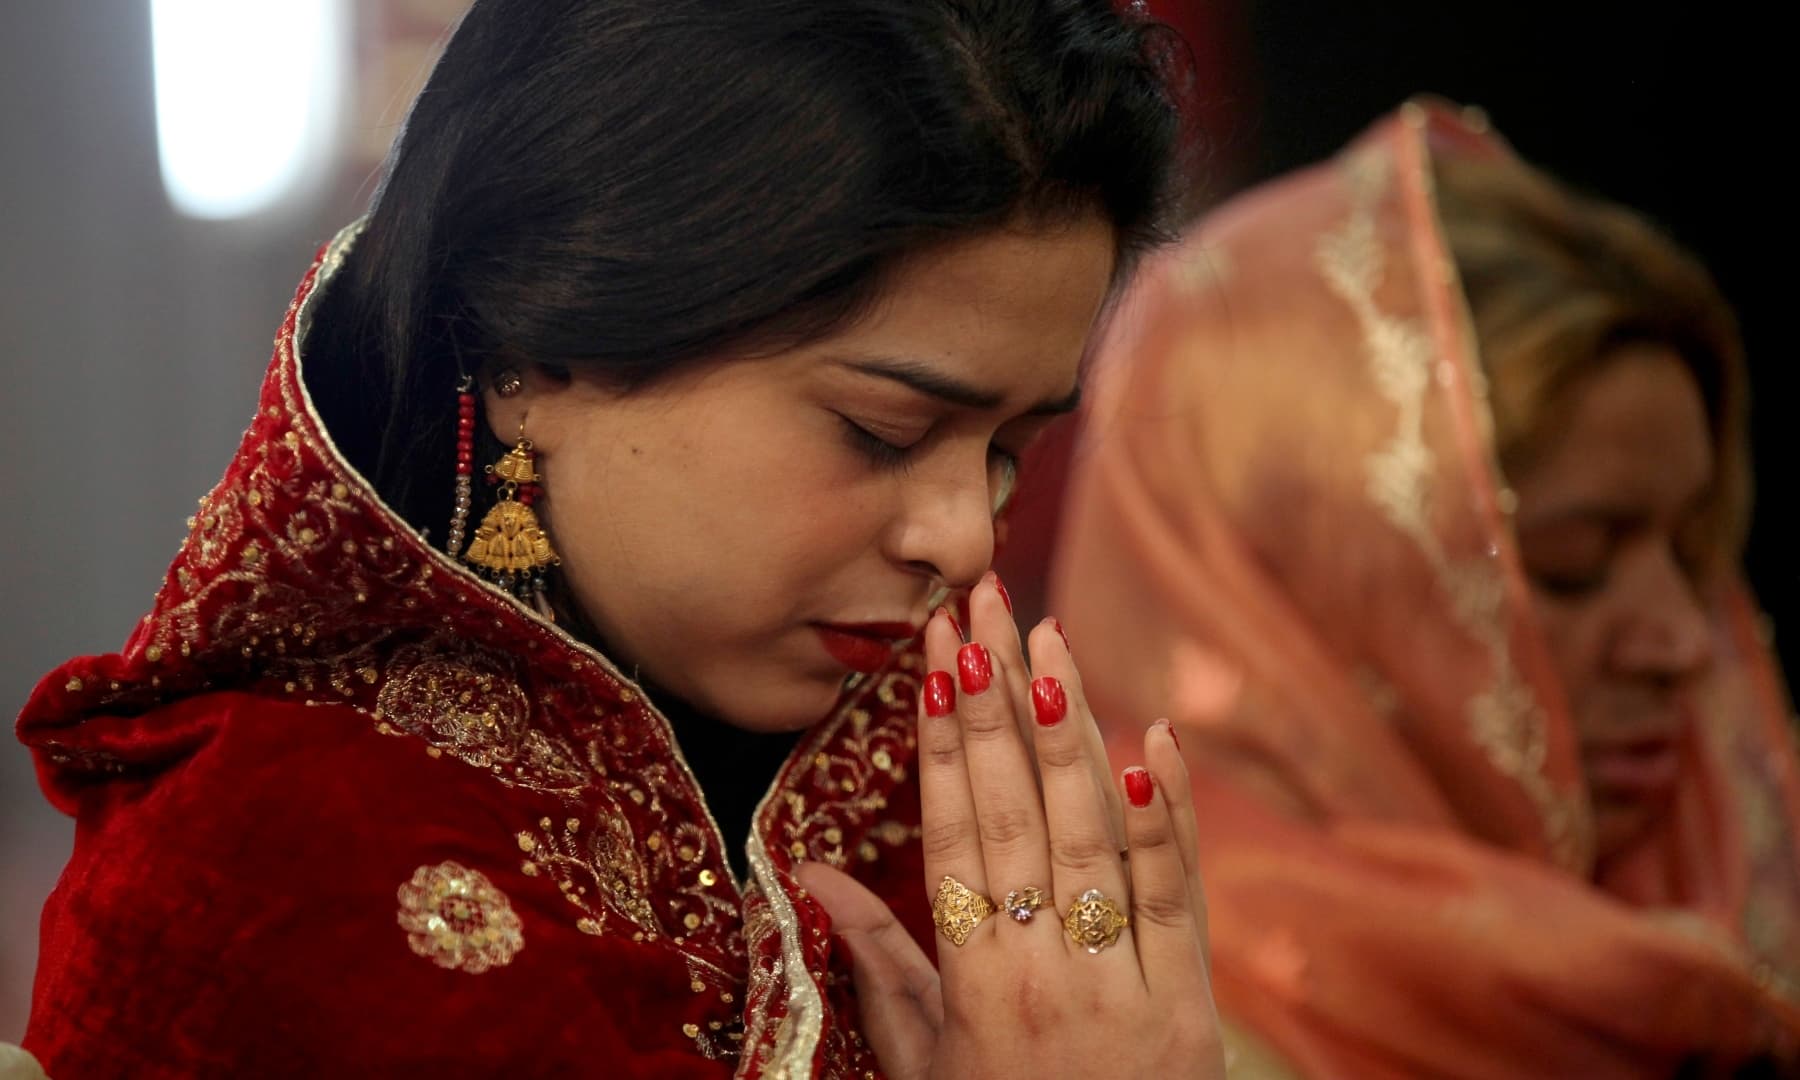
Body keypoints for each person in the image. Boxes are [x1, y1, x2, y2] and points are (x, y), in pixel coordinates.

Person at [13, 1, 1224, 1075]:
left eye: (1009, 447)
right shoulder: (270, 878)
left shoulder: (925, 834)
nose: (966, 542)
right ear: (536, 351)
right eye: (882, 431)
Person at [1050, 98, 1800, 1077]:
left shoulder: (1737, 912)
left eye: (1694, 555)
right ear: (1307, 596)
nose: (1680, 643)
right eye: (1572, 566)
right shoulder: (1106, 1020)